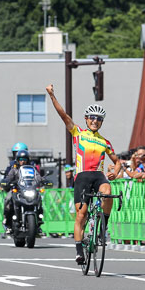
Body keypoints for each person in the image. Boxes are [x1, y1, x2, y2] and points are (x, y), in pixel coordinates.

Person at [46, 84, 121, 266]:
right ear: (86, 119)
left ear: (101, 122)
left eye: (98, 119)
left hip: (98, 176)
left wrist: (115, 173)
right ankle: (79, 251)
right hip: (82, 176)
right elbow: (63, 115)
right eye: (92, 118)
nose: (95, 121)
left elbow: (117, 161)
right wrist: (52, 95)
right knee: (82, 214)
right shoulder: (78, 133)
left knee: (108, 192)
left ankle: (103, 227)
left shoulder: (105, 141)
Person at [1, 150, 43, 230]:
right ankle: (6, 219)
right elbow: (9, 177)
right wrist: (6, 182)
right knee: (8, 198)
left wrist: (43, 180)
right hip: (17, 190)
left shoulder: (32, 169)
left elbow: (38, 177)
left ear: (28, 160)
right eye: (20, 159)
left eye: (24, 159)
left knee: (39, 198)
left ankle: (39, 220)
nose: (23, 161)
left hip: (29, 190)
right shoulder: (14, 170)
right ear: (17, 160)